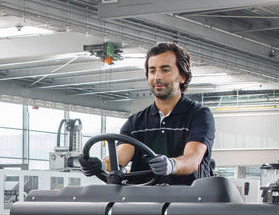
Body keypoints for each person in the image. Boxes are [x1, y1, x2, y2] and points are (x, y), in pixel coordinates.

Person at [79, 41, 214, 185]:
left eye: (165, 70)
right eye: (152, 71)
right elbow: (120, 158)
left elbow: (193, 159)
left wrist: (172, 165)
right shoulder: (135, 122)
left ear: (183, 76)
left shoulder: (198, 116)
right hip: (143, 197)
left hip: (188, 197)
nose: (157, 77)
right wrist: (100, 164)